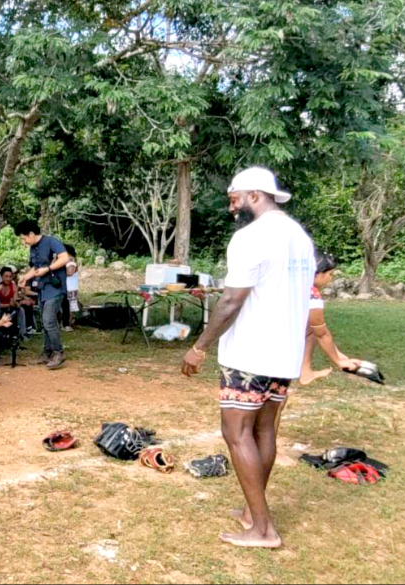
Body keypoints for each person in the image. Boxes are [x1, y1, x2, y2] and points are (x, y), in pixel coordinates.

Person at [180, 166, 314, 550]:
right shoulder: (299, 237)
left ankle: (263, 529)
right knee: (264, 431)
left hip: (250, 353)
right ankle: (251, 512)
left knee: (236, 433)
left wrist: (199, 346)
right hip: (283, 352)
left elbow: (231, 300)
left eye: (235, 197)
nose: (231, 205)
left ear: (255, 194)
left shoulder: (250, 237)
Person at [16, 221, 72, 369]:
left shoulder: (51, 241)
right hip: (42, 289)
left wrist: (48, 269)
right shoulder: (33, 248)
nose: (23, 242)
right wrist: (25, 278)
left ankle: (58, 352)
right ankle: (47, 352)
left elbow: (65, 258)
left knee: (48, 321)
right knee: (45, 321)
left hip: (55, 288)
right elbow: (35, 267)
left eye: (24, 238)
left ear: (32, 234)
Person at [300, 253, 361, 385]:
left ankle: (306, 372)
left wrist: (339, 355)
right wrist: (338, 361)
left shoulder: (294, 286)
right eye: (330, 275)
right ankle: (305, 372)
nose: (330, 279)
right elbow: (321, 333)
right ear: (318, 274)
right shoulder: (311, 295)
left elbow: (316, 329)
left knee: (310, 329)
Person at [63, 244, 80, 331]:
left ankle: (68, 324)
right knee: (67, 306)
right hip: (69, 286)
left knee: (70, 307)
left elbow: (70, 272)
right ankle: (68, 323)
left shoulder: (71, 259)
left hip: (71, 287)